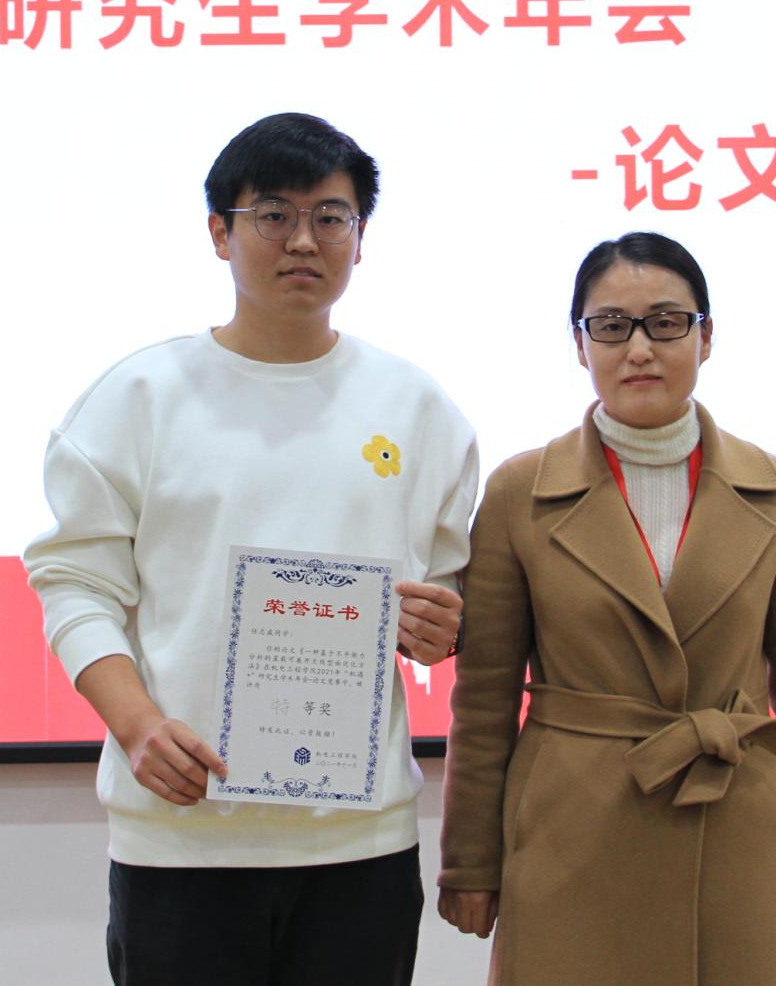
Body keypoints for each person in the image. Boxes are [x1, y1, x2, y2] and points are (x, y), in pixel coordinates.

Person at [24, 112, 480, 986]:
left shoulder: (418, 408)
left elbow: (447, 600)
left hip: (358, 842)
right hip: (181, 837)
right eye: (274, 214)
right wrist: (137, 724)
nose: (304, 240)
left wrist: (441, 629)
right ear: (219, 231)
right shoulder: (140, 397)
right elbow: (75, 583)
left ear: (360, 238)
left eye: (331, 216)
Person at [437, 231, 776, 984]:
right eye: (611, 325)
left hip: (733, 824)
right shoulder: (521, 491)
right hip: (570, 829)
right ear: (580, 343)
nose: (639, 349)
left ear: (706, 336)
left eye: (666, 322)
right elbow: (485, 699)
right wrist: (469, 861)